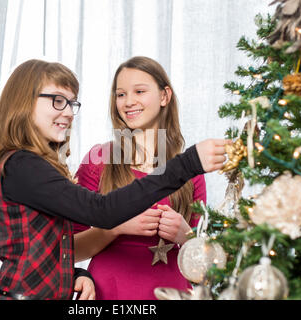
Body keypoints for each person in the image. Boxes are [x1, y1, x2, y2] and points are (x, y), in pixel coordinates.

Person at [0, 59, 228, 300]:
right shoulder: (25, 165)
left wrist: (76, 274)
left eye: (71, 103)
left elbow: (50, 250)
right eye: (58, 101)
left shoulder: (34, 166)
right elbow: (100, 213)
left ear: (165, 96)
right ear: (24, 101)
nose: (68, 113)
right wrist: (189, 163)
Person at [73, 56, 207, 300]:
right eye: (121, 94)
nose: (128, 102)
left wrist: (186, 235)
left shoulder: (188, 169)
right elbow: (69, 250)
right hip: (109, 293)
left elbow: (205, 265)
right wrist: (112, 228)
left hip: (173, 293)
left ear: (164, 96)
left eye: (140, 91)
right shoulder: (98, 161)